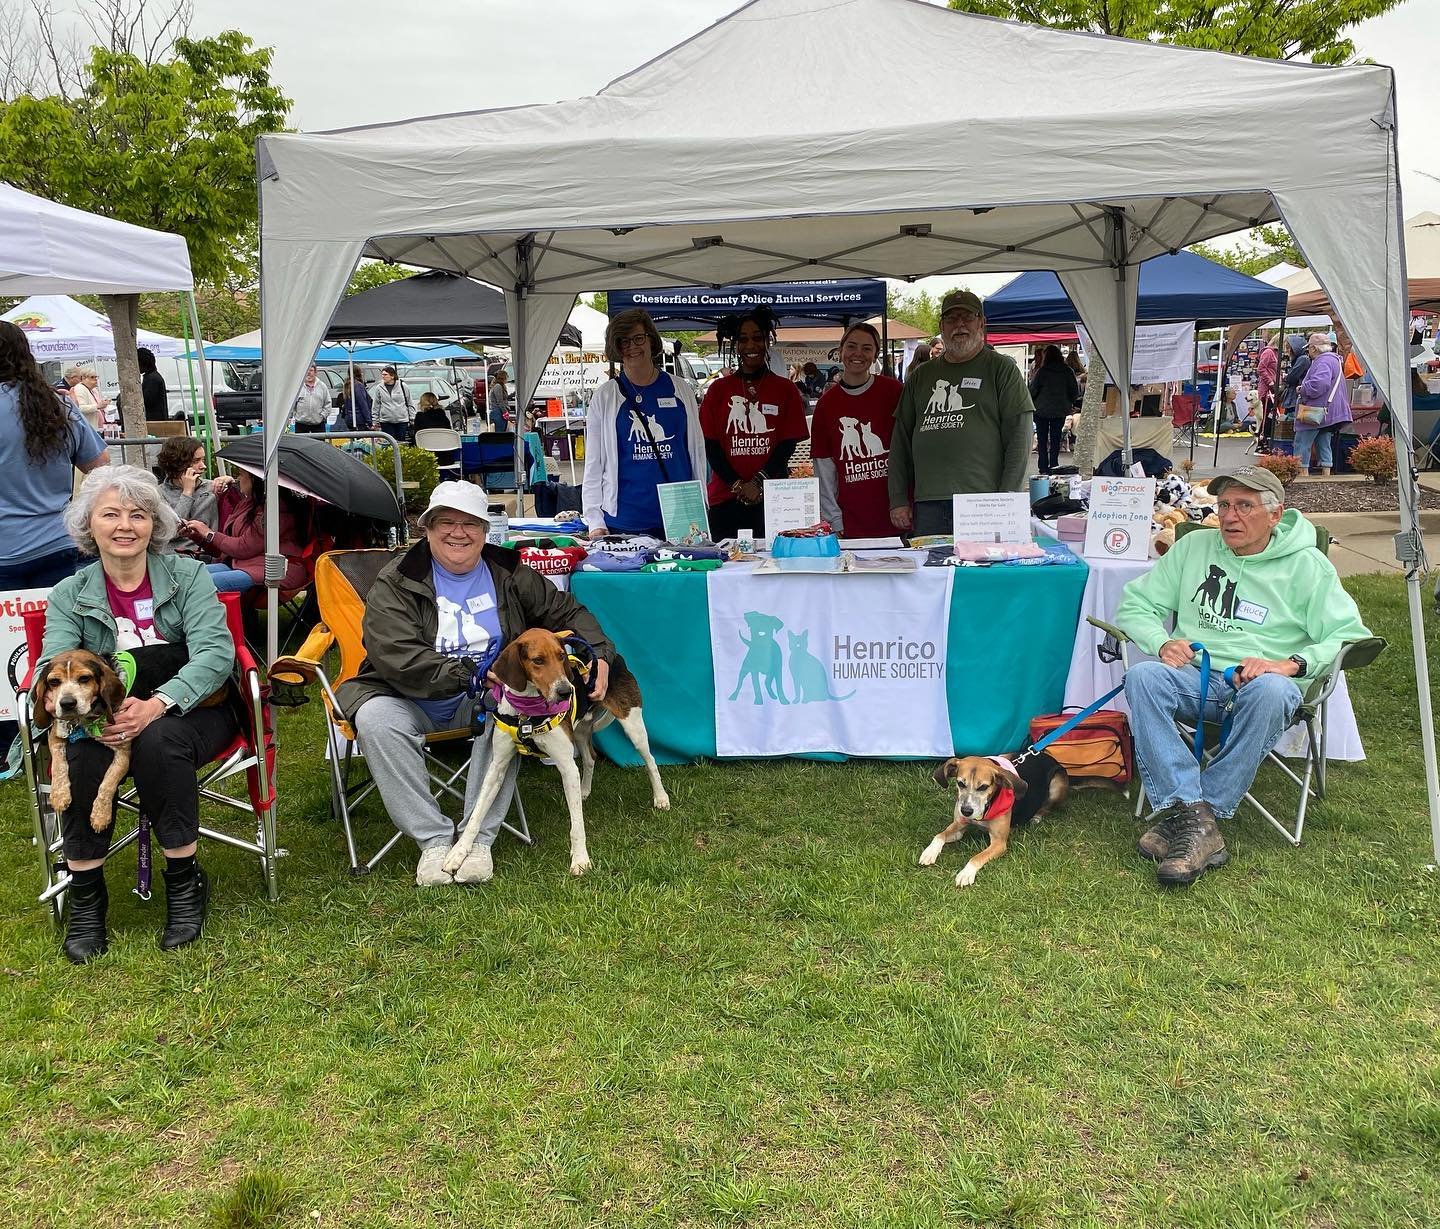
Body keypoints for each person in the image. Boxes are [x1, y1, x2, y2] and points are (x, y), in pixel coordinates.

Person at [334, 482, 619, 886]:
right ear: (427, 529)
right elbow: (393, 652)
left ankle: (478, 840)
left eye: (470, 523)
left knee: (507, 710)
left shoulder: (508, 571)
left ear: (486, 531)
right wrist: (466, 673)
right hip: (406, 693)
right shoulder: (397, 580)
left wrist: (599, 653)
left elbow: (564, 610)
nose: (458, 532)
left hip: (487, 694)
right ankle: (433, 841)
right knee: (376, 719)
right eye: (446, 522)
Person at [1114, 465, 1370, 887]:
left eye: (1245, 506)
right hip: (1200, 678)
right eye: (1224, 505)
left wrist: (1288, 664)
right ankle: (1195, 817)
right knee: (1144, 677)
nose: (1230, 517)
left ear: (1275, 514)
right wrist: (1160, 642)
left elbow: (1348, 635)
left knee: (1271, 689)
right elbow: (1136, 605)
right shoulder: (1194, 549)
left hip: (1263, 688)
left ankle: (1192, 817)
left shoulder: (1307, 566)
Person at [39, 465, 240, 962]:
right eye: (111, 514)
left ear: (156, 524)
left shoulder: (189, 575)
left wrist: (157, 704)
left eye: (138, 514)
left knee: (158, 741)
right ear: (91, 525)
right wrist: (74, 704)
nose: (125, 525)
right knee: (85, 756)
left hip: (195, 706)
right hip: (103, 713)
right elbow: (54, 661)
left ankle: (184, 882)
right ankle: (86, 894)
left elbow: (216, 654)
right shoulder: (70, 593)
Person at [0, 322, 112, 772]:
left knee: (3, 652)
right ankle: (75, 729)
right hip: (60, 543)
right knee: (65, 645)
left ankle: (11, 740)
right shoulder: (57, 406)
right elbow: (100, 465)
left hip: (4, 552)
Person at [888, 290, 1034, 537]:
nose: (959, 325)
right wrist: (898, 498)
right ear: (941, 327)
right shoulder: (921, 376)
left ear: (981, 323)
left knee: (982, 573)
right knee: (931, 573)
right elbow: (901, 441)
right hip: (929, 502)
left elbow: (1020, 436)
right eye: (951, 319)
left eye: (967, 317)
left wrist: (1008, 498)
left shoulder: (1001, 369)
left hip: (984, 503)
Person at [582, 307, 704, 538]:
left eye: (638, 338)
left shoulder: (681, 390)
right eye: (624, 341)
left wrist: (701, 504)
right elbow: (593, 463)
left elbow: (697, 453)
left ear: (651, 340)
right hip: (625, 521)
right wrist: (594, 520)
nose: (632, 347)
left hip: (680, 520)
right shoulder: (606, 396)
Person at [698, 305, 808, 539]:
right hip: (726, 500)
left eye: (757, 338)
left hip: (774, 499)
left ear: (768, 341)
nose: (750, 346)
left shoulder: (785, 389)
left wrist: (758, 482)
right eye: (743, 339)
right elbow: (711, 445)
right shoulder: (718, 390)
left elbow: (787, 446)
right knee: (726, 570)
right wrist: (738, 485)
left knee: (775, 570)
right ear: (735, 344)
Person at [809, 321, 901, 538]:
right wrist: (833, 518)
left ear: (875, 354)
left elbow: (909, 450)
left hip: (894, 515)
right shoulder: (826, 404)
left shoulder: (893, 392)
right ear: (841, 351)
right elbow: (823, 468)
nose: (858, 353)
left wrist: (904, 503)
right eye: (851, 346)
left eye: (867, 348)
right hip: (850, 520)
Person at [179, 469, 306, 594]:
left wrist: (208, 533)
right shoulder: (249, 503)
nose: (238, 479)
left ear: (255, 480)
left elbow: (243, 548)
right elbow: (226, 548)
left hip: (274, 569)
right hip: (243, 564)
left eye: (241, 475)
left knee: (203, 583)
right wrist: (197, 536)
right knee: (188, 576)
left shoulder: (276, 510)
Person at [154, 436, 233, 555]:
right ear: (178, 464)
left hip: (208, 555)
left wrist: (231, 482)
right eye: (196, 461)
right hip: (173, 557)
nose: (203, 466)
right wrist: (187, 493)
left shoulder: (213, 487)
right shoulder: (158, 493)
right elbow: (170, 532)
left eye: (203, 460)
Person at [1293, 333, 1352, 478]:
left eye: (1309, 349)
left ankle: (1302, 474)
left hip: (1315, 411)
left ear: (1314, 348)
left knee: (1302, 442)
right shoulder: (1335, 360)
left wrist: (1303, 389)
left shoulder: (1322, 362)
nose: (1308, 352)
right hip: (1328, 413)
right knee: (1324, 442)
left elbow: (1319, 385)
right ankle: (1326, 474)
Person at [1028, 344, 1081, 474]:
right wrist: (1068, 402)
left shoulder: (1042, 371)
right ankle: (1054, 465)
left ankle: (1043, 466)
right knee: (1056, 438)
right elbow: (1075, 391)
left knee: (1042, 438)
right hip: (1060, 410)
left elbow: (1032, 391)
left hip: (1041, 410)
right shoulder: (1068, 371)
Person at [1278, 333, 1310, 432]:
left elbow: (1292, 377)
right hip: (1294, 397)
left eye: (1288, 348)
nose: (1286, 351)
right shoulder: (1301, 359)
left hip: (1295, 397)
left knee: (1291, 424)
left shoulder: (1302, 359)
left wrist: (1286, 377)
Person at [65, 365, 113, 431]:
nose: (95, 379)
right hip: (89, 428)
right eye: (92, 377)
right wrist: (97, 406)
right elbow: (80, 408)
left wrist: (104, 404)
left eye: (96, 377)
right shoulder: (79, 389)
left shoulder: (94, 390)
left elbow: (98, 405)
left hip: (99, 427)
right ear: (84, 378)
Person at [372, 365, 413, 441]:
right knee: (389, 443)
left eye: (385, 375)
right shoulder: (379, 388)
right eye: (382, 374)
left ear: (392, 376)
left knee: (401, 442)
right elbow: (376, 405)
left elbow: (410, 403)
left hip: (402, 420)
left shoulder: (403, 386)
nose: (383, 376)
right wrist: (375, 420)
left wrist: (412, 419)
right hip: (386, 421)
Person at [292, 363, 332, 433]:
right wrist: (295, 415)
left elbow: (328, 404)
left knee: (319, 444)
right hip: (301, 424)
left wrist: (322, 416)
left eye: (311, 370)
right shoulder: (298, 386)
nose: (308, 373)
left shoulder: (322, 386)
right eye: (306, 370)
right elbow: (291, 404)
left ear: (315, 372)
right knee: (301, 444)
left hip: (318, 424)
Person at [137, 347, 169, 422]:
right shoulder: (152, 376)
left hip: (155, 422)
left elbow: (146, 400)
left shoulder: (152, 379)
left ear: (142, 363)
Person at [487, 366, 509, 433]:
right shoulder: (498, 386)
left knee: (501, 431)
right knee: (499, 432)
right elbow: (500, 401)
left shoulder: (498, 386)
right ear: (503, 378)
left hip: (498, 411)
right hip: (498, 412)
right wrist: (505, 412)